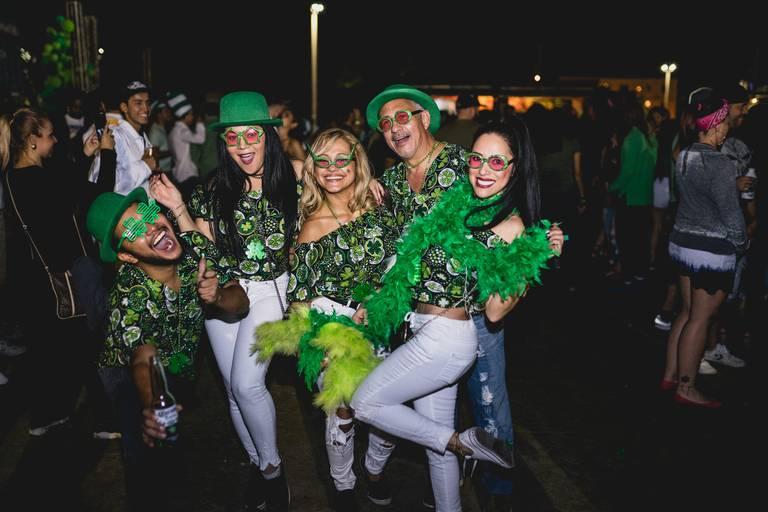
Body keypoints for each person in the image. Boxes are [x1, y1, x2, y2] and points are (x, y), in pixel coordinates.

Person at [349, 117, 564, 512]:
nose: (484, 170)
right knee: (436, 450)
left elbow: (496, 311)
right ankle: (452, 465)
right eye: (477, 159)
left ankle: (462, 443)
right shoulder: (461, 203)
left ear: (516, 168)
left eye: (497, 162)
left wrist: (535, 259)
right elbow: (413, 249)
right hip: (422, 330)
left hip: (447, 339)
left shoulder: (511, 225)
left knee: (365, 403)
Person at [86, 186, 248, 511]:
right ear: (127, 256)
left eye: (147, 215)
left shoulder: (195, 250)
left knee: (172, 442)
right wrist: (151, 405)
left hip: (178, 363)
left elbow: (239, 301)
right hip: (127, 375)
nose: (151, 227)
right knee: (143, 448)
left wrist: (216, 297)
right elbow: (144, 357)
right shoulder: (130, 295)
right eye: (133, 231)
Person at [182, 91, 300, 511]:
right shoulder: (213, 190)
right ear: (224, 143)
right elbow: (203, 247)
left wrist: (370, 181)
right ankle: (257, 465)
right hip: (227, 294)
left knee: (249, 384)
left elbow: (345, 183)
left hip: (272, 288)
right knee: (233, 390)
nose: (244, 145)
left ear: (269, 135)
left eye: (252, 134)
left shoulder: (297, 181)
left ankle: (272, 470)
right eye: (233, 138)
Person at [661, 88, 746, 407]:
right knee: (700, 319)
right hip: (710, 252)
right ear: (717, 125)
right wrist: (742, 243)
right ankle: (687, 386)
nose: (729, 128)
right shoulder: (720, 163)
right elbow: (731, 214)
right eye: (726, 123)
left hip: (682, 244)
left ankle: (671, 375)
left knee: (685, 313)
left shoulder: (684, 154)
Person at [89, 80, 158, 194]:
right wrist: (145, 166)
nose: (146, 108)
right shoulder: (115, 136)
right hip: (123, 209)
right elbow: (102, 183)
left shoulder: (143, 136)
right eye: (138, 103)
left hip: (145, 206)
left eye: (148, 102)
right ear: (124, 107)